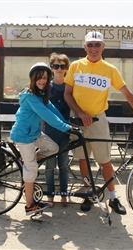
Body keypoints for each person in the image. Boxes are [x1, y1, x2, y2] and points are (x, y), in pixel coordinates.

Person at [64, 31, 133, 215]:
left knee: (105, 162)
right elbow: (67, 93)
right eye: (90, 45)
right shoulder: (75, 66)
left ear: (103, 47)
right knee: (83, 159)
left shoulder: (110, 69)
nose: (94, 48)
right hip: (78, 120)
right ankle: (89, 194)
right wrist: (80, 113)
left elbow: (127, 93)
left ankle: (112, 198)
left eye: (97, 44)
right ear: (85, 47)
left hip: (98, 119)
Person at [10, 62, 72, 215]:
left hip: (35, 134)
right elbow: (46, 115)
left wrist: (67, 123)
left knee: (53, 148)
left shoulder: (41, 94)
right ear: (33, 79)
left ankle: (28, 162)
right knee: (31, 169)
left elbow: (51, 109)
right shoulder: (29, 96)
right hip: (23, 136)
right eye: (39, 78)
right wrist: (65, 128)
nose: (42, 80)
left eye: (45, 77)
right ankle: (30, 205)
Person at [44, 53, 71, 208]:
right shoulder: (47, 87)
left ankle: (64, 194)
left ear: (66, 68)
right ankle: (50, 196)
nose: (59, 69)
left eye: (62, 66)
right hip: (49, 132)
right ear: (52, 69)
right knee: (49, 167)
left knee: (64, 166)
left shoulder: (70, 87)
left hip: (65, 133)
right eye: (56, 66)